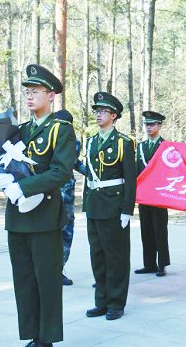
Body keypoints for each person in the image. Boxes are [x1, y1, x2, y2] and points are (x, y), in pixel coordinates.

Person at [0, 64, 76, 347]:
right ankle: (32, 335)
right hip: (17, 217)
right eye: (27, 91)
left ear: (51, 96)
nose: (29, 96)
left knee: (46, 281)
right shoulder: (19, 131)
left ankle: (45, 339)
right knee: (24, 281)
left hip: (44, 217)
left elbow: (61, 172)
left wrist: (22, 186)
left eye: (35, 91)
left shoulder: (60, 130)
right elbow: (3, 163)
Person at [84, 92, 136, 321]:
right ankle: (101, 301)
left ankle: (116, 302)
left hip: (114, 207)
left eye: (103, 111)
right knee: (97, 256)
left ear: (113, 115)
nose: (98, 114)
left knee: (116, 257)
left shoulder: (124, 143)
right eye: (96, 111)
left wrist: (127, 210)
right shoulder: (91, 142)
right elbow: (89, 176)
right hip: (94, 205)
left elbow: (131, 180)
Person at [135, 110, 171, 277]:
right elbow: (137, 170)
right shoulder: (141, 146)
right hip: (144, 195)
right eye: (146, 124)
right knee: (146, 229)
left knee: (160, 229)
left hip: (159, 195)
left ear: (159, 125)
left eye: (152, 124)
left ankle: (162, 264)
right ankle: (148, 263)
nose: (149, 127)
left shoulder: (166, 146)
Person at [53, 109, 86, 286]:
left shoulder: (75, 143)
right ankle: (48, 269)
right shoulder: (44, 142)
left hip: (66, 197)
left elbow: (75, 163)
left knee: (66, 232)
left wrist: (94, 173)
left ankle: (59, 269)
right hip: (48, 194)